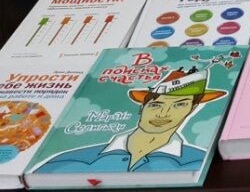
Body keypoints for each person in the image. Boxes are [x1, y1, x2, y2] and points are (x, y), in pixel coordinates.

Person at [34, 68, 226, 172]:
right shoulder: (68, 159)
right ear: (142, 107)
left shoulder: (197, 161)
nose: (163, 114)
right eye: (156, 105)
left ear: (192, 109)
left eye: (179, 105)